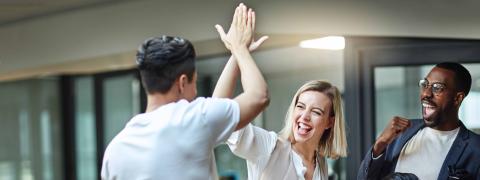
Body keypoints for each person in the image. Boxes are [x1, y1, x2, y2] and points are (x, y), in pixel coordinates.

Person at [101, 3, 269, 180]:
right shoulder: (194, 119)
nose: (195, 92)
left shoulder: (114, 151)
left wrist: (236, 55)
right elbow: (259, 96)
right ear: (182, 83)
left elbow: (216, 109)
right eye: (194, 83)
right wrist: (240, 49)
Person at [214, 52, 348, 180]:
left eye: (316, 112)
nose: (305, 116)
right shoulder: (269, 146)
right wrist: (237, 51)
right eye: (300, 106)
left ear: (330, 123)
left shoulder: (320, 164)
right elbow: (216, 115)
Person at [358, 62, 480, 180]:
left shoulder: (475, 148)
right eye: (425, 84)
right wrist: (380, 143)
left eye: (437, 88)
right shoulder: (400, 132)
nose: (426, 93)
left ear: (457, 98)